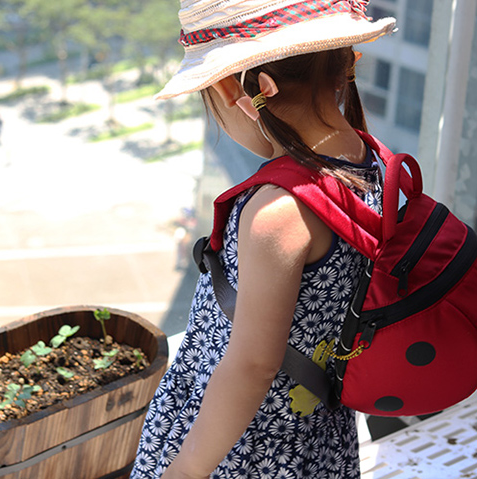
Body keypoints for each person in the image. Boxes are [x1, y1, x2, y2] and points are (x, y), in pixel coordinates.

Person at [130, 1, 396, 478]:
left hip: (245, 448)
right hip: (315, 428)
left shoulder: (277, 211)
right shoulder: (370, 162)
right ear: (343, 67)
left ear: (247, 89)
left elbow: (253, 365)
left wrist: (184, 469)